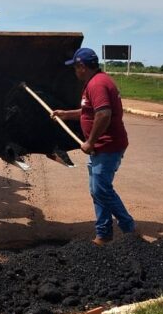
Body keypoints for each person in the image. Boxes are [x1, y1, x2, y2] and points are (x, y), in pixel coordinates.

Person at [52, 47, 136, 247]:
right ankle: (103, 234)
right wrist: (66, 114)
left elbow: (104, 114)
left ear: (82, 66)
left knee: (101, 190)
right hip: (101, 148)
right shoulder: (96, 81)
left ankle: (129, 230)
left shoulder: (97, 84)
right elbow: (88, 111)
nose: (75, 71)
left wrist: (90, 141)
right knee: (97, 191)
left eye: (75, 67)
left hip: (107, 147)